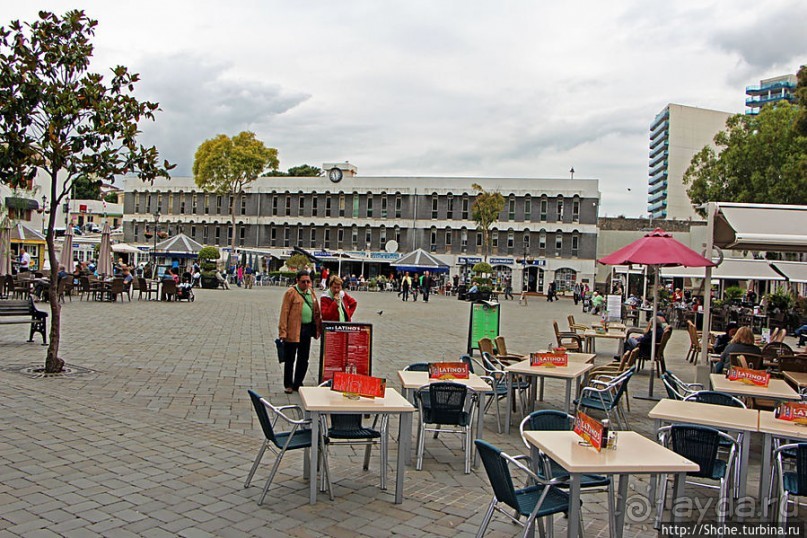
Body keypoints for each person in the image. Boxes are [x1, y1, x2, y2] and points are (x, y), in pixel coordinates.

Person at [278, 270, 322, 393]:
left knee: (304, 358)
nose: (306, 284)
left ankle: (298, 382)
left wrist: (318, 328)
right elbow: (284, 312)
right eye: (303, 281)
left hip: (307, 329)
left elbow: (316, 311)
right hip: (293, 329)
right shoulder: (291, 293)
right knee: (290, 358)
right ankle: (288, 384)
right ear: (297, 281)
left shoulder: (311, 293)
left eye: (308, 281)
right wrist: (283, 331)